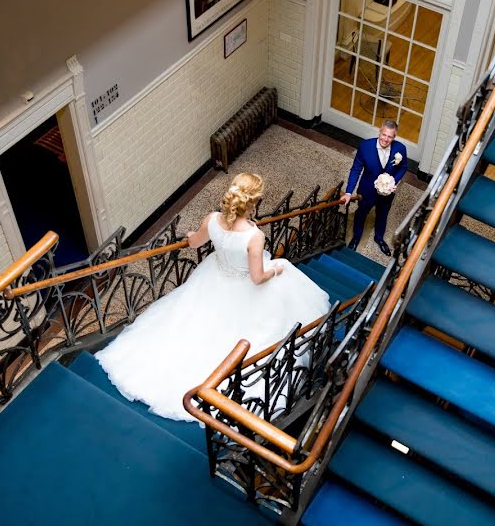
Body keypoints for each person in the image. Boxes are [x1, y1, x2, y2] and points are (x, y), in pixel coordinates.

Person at [97, 173, 330, 422]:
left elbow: (195, 243)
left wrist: (191, 234)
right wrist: (276, 269)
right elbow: (257, 277)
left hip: (213, 277)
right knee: (275, 293)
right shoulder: (254, 236)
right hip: (244, 290)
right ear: (253, 202)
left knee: (192, 322)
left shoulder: (212, 220)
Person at [340, 120, 408, 256]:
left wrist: (393, 181)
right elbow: (355, 170)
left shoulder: (400, 149)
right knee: (361, 213)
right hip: (367, 189)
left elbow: (403, 166)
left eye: (389, 136)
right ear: (380, 132)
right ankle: (356, 237)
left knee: (382, 214)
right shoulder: (365, 146)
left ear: (394, 137)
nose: (385, 139)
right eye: (384, 135)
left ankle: (379, 238)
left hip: (387, 192)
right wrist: (348, 192)